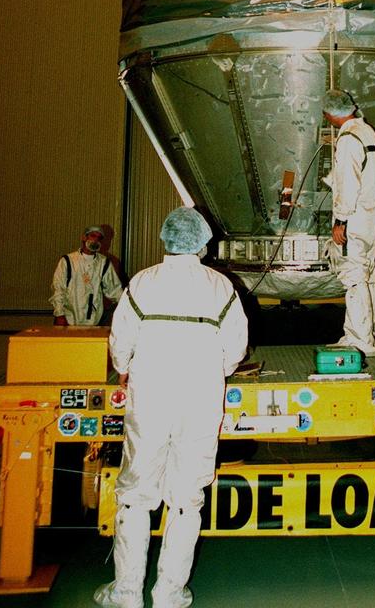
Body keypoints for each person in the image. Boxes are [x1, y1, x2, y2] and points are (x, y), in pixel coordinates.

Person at [94, 206, 248, 608]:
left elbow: (120, 339)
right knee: (186, 498)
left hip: (150, 401)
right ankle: (169, 593)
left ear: (166, 240)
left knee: (134, 495)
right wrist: (219, 370)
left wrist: (123, 369)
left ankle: (126, 593)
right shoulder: (220, 287)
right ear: (203, 242)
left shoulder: (143, 283)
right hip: (199, 402)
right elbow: (235, 349)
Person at [321, 88, 375, 357]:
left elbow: (348, 184)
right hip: (371, 219)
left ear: (330, 114)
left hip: (354, 222)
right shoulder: (367, 131)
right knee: (367, 278)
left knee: (354, 278)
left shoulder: (347, 139)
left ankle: (361, 342)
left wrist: (340, 222)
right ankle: (362, 333)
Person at [50, 224, 123, 326]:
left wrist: (127, 304)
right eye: (93, 236)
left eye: (99, 238)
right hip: (68, 318)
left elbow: (114, 290)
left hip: (94, 320)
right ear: (84, 237)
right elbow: (58, 288)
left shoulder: (103, 263)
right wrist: (59, 314)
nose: (96, 240)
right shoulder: (68, 261)